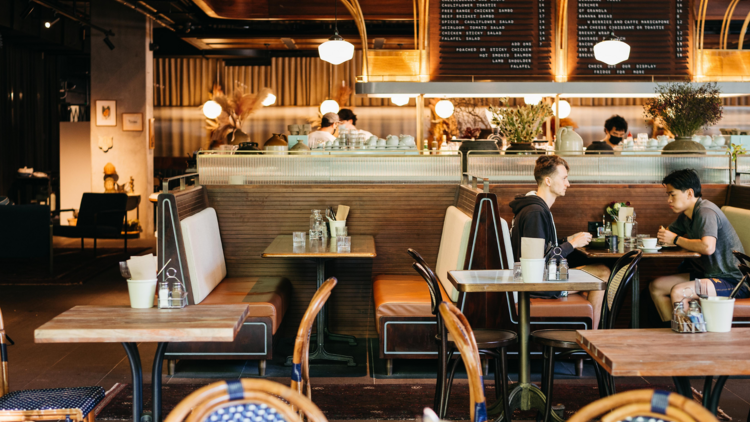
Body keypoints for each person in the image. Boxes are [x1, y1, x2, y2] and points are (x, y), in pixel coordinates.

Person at [509, 155, 611, 328]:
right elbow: (536, 264)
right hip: (538, 286)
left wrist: (566, 240)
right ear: (548, 181)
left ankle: (585, 330)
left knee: (599, 272)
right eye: (564, 178)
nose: (568, 184)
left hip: (539, 279)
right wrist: (572, 244)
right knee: (602, 273)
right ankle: (591, 338)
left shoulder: (535, 207)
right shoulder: (536, 212)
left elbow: (540, 247)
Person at [649, 169, 747, 322]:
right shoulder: (687, 216)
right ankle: (673, 331)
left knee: (679, 292)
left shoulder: (705, 211)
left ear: (689, 193)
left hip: (732, 281)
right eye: (667, 195)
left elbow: (708, 247)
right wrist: (665, 236)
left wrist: (675, 239)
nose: (668, 200)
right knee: (657, 286)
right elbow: (667, 235)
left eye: (672, 194)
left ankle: (687, 340)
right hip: (708, 274)